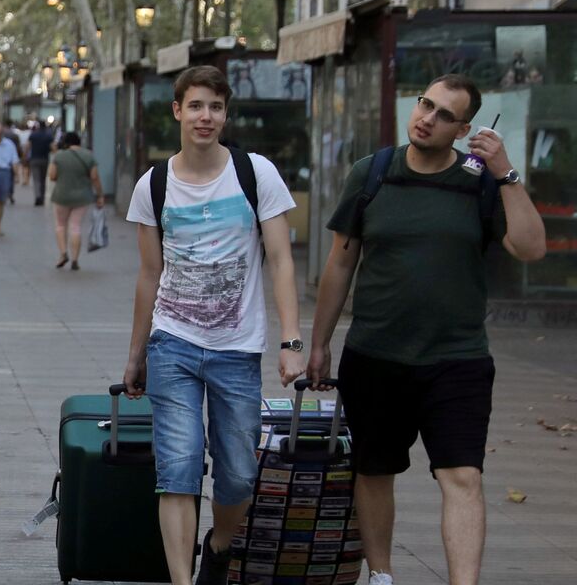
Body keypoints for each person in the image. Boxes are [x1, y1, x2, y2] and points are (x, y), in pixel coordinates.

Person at [306, 74, 547, 585]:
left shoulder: (482, 182)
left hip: (457, 358)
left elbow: (530, 248)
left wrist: (507, 174)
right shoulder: (372, 173)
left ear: (463, 130)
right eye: (425, 105)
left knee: (462, 475)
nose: (427, 118)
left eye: (443, 115)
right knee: (374, 471)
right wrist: (319, 344)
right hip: (375, 353)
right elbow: (340, 264)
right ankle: (382, 576)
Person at [121, 66, 302, 585]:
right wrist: (136, 353)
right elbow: (149, 275)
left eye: (216, 108)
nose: (206, 117)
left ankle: (218, 547)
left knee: (239, 476)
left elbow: (281, 261)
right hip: (172, 343)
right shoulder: (153, 185)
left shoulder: (255, 173)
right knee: (176, 470)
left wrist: (291, 342)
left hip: (237, 348)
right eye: (196, 106)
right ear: (177, 111)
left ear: (225, 115)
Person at [47, 132, 102, 270]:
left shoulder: (59, 156)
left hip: (61, 195)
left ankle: (63, 253)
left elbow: (52, 176)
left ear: (65, 143)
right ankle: (75, 259)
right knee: (75, 227)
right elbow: (94, 177)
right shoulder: (88, 156)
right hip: (82, 197)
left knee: (60, 225)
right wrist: (100, 195)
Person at [28, 117, 57, 206]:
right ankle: (42, 198)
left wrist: (25, 156)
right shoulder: (48, 135)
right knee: (43, 179)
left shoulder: (33, 134)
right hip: (44, 159)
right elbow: (53, 148)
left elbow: (27, 146)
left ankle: (37, 195)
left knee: (36, 179)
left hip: (34, 159)